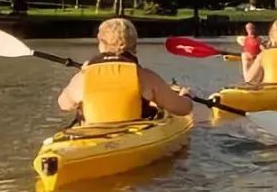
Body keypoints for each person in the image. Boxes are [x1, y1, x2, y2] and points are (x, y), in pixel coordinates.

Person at [57, 18, 193, 124]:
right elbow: (182, 109)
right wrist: (186, 96)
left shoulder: (84, 77)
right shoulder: (145, 76)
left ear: (101, 44)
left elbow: (64, 104)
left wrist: (83, 73)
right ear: (134, 46)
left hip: (92, 137)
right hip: (135, 136)